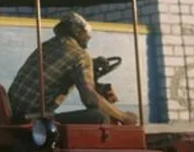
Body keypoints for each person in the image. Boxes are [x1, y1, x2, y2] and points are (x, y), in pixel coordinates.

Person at [8, 11, 137, 126]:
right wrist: (124, 117)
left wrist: (92, 64)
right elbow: (90, 99)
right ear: (77, 31)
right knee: (99, 116)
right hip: (32, 119)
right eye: (86, 33)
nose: (88, 37)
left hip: (13, 112)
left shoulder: (47, 46)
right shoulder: (80, 56)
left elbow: (61, 63)